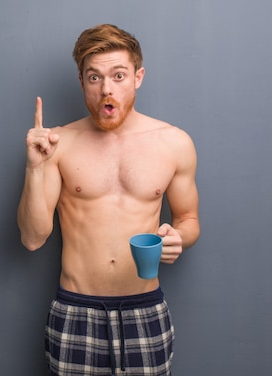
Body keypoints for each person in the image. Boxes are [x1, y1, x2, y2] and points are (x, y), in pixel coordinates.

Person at [17, 24, 200, 375]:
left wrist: (180, 238)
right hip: (75, 310)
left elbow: (189, 220)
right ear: (82, 81)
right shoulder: (57, 143)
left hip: (145, 308)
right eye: (94, 77)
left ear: (138, 77)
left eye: (118, 75)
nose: (106, 90)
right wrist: (35, 169)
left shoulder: (174, 143)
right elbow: (32, 238)